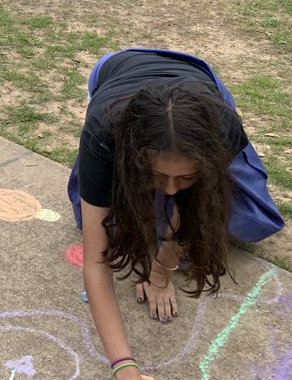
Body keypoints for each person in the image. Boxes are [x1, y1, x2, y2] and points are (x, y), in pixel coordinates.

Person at [68, 48, 284, 380]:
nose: (169, 190)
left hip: (198, 88)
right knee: (101, 223)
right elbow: (97, 261)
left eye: (184, 177)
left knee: (242, 218)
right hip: (117, 71)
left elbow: (196, 206)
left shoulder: (222, 127)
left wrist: (161, 272)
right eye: (158, 176)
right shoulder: (104, 133)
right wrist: (124, 366)